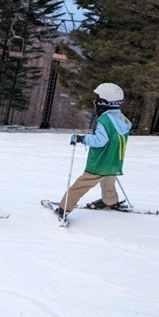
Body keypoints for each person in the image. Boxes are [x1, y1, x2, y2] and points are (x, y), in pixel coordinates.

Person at [55, 82, 132, 219]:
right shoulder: (121, 119)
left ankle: (63, 208)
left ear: (104, 101)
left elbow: (100, 141)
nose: (95, 101)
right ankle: (111, 201)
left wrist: (81, 139)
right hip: (114, 160)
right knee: (108, 180)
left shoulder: (104, 120)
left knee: (81, 185)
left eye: (97, 98)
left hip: (100, 161)